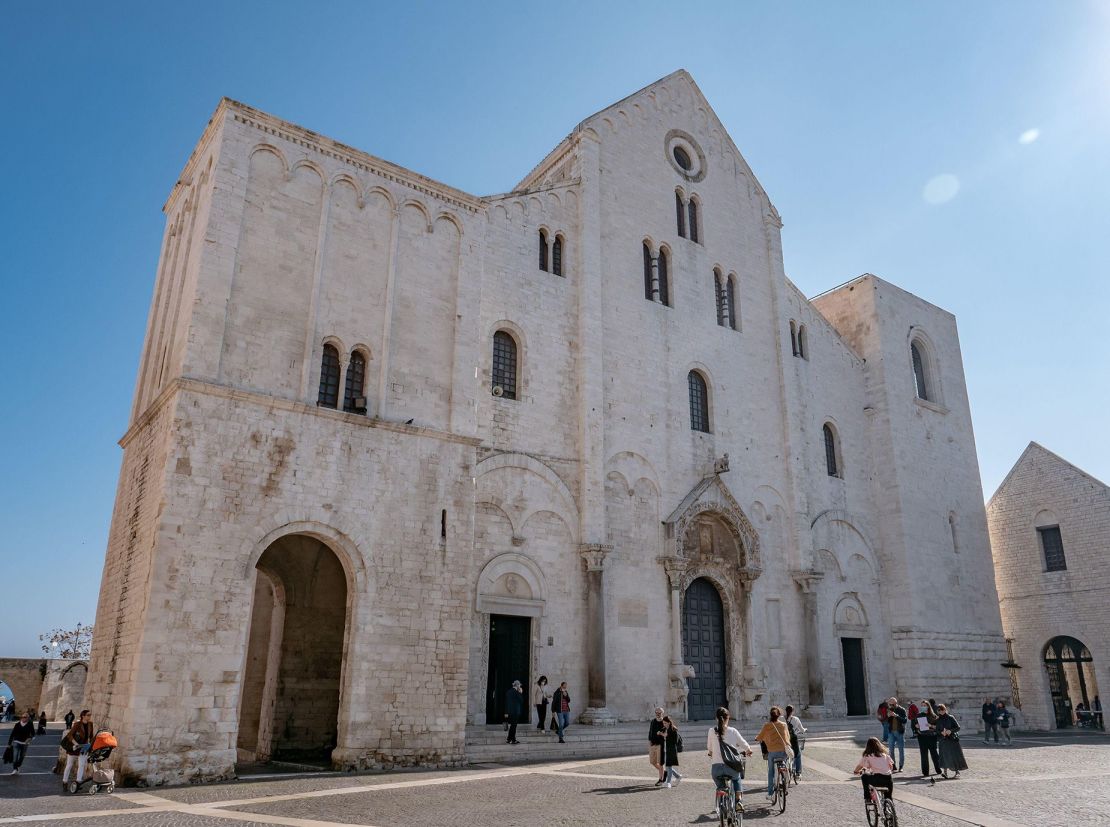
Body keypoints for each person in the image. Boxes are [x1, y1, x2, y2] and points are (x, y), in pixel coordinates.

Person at [707, 706, 751, 815]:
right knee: (737, 779)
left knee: (720, 786)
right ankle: (738, 801)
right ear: (728, 718)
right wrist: (749, 750)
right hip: (731, 767)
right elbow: (744, 744)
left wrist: (711, 753)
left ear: (716, 718)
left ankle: (722, 799)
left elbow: (709, 748)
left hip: (716, 769)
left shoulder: (711, 731)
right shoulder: (732, 731)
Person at [755, 706, 793, 800]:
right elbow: (788, 737)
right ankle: (786, 782)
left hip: (772, 752)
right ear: (779, 715)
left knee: (771, 772)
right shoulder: (784, 725)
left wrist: (757, 738)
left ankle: (770, 793)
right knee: (785, 765)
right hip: (783, 752)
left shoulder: (767, 725)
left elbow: (760, 737)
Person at [854, 737, 894, 803]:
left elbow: (860, 765)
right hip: (888, 779)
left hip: (877, 779)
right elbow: (891, 767)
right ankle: (889, 808)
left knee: (864, 777)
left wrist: (856, 771)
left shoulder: (868, 755)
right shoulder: (885, 755)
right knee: (888, 797)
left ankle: (867, 798)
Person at [62, 709, 94, 789]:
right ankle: (65, 781)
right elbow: (70, 735)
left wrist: (90, 745)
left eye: (90, 715)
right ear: (83, 716)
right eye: (88, 715)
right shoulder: (77, 724)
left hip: (84, 748)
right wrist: (76, 744)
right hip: (74, 748)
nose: (90, 716)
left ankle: (78, 782)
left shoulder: (90, 724)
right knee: (69, 765)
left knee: (81, 765)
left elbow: (91, 736)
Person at [934, 704, 967, 779]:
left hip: (952, 739)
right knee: (944, 756)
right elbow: (937, 730)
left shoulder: (950, 717)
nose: (941, 711)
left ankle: (957, 771)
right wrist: (941, 732)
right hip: (943, 740)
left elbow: (958, 727)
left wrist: (950, 731)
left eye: (942, 709)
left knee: (954, 756)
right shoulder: (938, 720)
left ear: (945, 709)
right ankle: (945, 772)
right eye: (939, 710)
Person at [912, 699, 941, 777]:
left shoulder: (934, 716)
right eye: (922, 706)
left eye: (924, 706)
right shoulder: (918, 715)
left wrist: (930, 725)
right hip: (922, 737)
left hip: (932, 737)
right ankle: (925, 772)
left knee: (934, 754)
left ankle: (938, 769)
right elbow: (914, 725)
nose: (923, 707)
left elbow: (938, 727)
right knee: (924, 755)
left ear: (928, 706)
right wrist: (916, 726)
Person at [885, 697, 907, 772]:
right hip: (891, 732)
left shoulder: (902, 710)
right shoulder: (889, 709)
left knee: (901, 750)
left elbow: (904, 721)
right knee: (891, 750)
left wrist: (896, 716)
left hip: (899, 732)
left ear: (896, 703)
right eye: (889, 704)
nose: (890, 706)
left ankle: (901, 766)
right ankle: (893, 766)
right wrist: (888, 716)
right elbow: (886, 721)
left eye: (892, 704)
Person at [660, 715, 683, 787]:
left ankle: (668, 782)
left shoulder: (674, 730)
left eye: (665, 723)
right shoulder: (664, 729)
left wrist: (666, 736)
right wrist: (661, 734)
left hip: (671, 750)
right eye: (663, 723)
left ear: (669, 722)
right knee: (668, 767)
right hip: (665, 750)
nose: (664, 724)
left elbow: (675, 741)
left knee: (668, 766)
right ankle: (678, 776)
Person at [784, 704, 807, 777]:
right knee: (798, 754)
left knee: (784, 754)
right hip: (793, 739)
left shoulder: (781, 718)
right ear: (792, 711)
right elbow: (802, 730)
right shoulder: (796, 719)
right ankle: (798, 772)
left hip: (784, 739)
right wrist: (805, 730)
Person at [648, 707, 666, 785]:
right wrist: (649, 742)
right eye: (656, 713)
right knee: (652, 762)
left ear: (662, 713)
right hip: (652, 744)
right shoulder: (652, 721)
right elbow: (650, 732)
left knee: (661, 762)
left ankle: (661, 779)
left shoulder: (665, 722)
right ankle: (664, 772)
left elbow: (667, 734)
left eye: (659, 713)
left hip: (660, 745)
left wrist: (661, 733)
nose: (658, 714)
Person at [505, 680, 524, 745]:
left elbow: (506, 703)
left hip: (510, 711)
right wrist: (520, 693)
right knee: (514, 726)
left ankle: (509, 739)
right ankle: (512, 740)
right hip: (515, 711)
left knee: (512, 726)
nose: (520, 686)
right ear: (517, 685)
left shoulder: (508, 691)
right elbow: (521, 701)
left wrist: (506, 712)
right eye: (519, 685)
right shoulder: (517, 692)